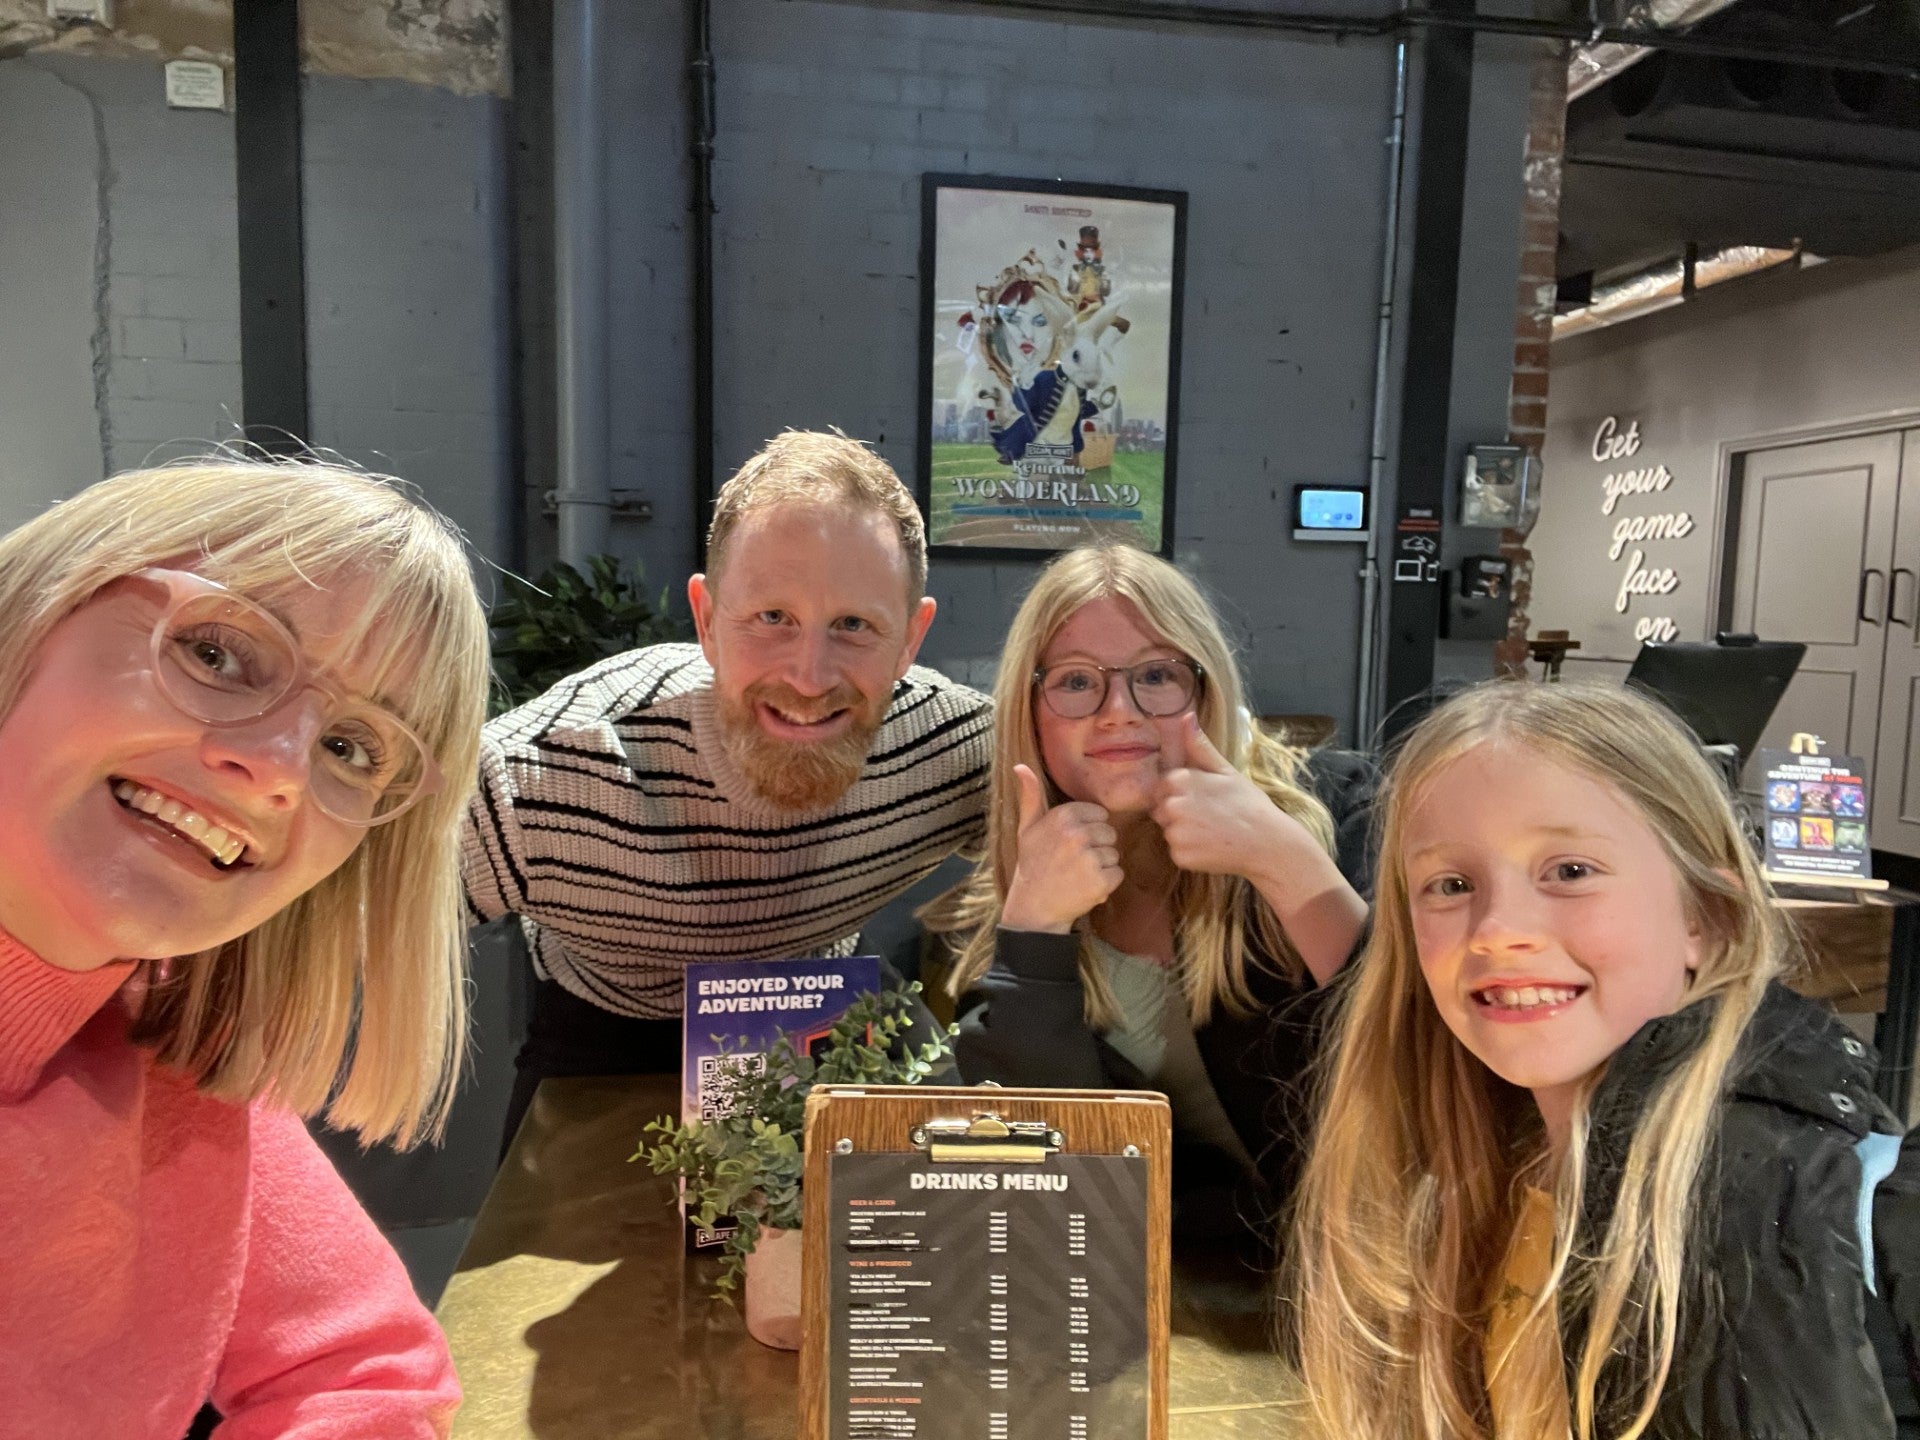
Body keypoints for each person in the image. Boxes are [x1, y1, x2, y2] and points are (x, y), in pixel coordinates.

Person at [0, 456, 489, 1436]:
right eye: (218, 653)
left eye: (352, 749)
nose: (274, 768)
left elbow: (363, 1372)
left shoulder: (169, 1046)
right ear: (37, 608)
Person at [1289, 680, 1920, 1439]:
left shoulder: (1834, 1211)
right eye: (1451, 885)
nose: (1499, 929)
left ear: (1706, 916)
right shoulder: (1463, 1196)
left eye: (1570, 871)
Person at [464, 431, 993, 1146]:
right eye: (772, 618)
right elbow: (332, 916)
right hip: (609, 1032)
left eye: (854, 625)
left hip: (829, 1006)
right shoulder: (547, 770)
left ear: (910, 638)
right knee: (543, 1256)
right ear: (708, 621)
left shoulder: (955, 746)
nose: (809, 677)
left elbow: (1123, 839)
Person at [932, 544, 1371, 1254]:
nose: (1118, 712)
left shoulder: (1339, 814)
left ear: (1205, 693)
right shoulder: (1015, 895)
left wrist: (1283, 861)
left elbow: (1431, 1067)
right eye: (1076, 682)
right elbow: (1045, 1165)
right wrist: (1034, 933)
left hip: (1370, 1289)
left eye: (1157, 676)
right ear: (1030, 710)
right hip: (1168, 1298)